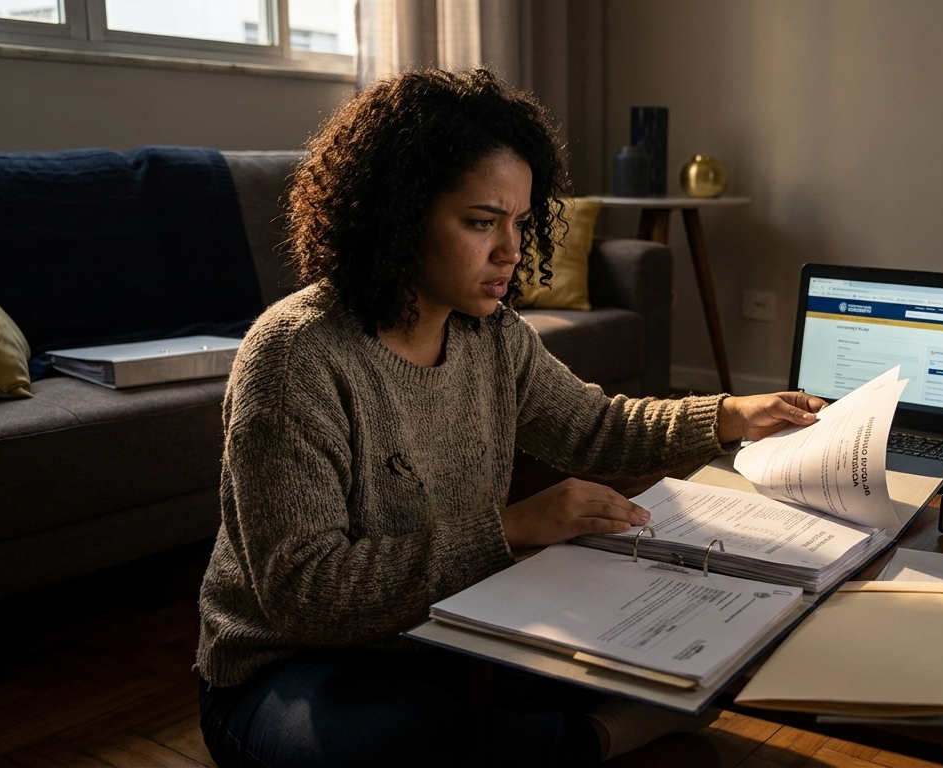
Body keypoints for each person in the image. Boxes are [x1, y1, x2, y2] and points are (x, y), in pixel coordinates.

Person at [195, 68, 826, 767]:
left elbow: (597, 428)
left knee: (623, 653)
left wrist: (733, 413)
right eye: (480, 222)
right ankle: (598, 739)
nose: (511, 251)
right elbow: (304, 595)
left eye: (520, 223)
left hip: (441, 630)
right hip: (287, 668)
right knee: (395, 746)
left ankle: (559, 737)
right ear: (398, 214)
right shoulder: (295, 355)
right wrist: (513, 528)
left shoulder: (490, 334)